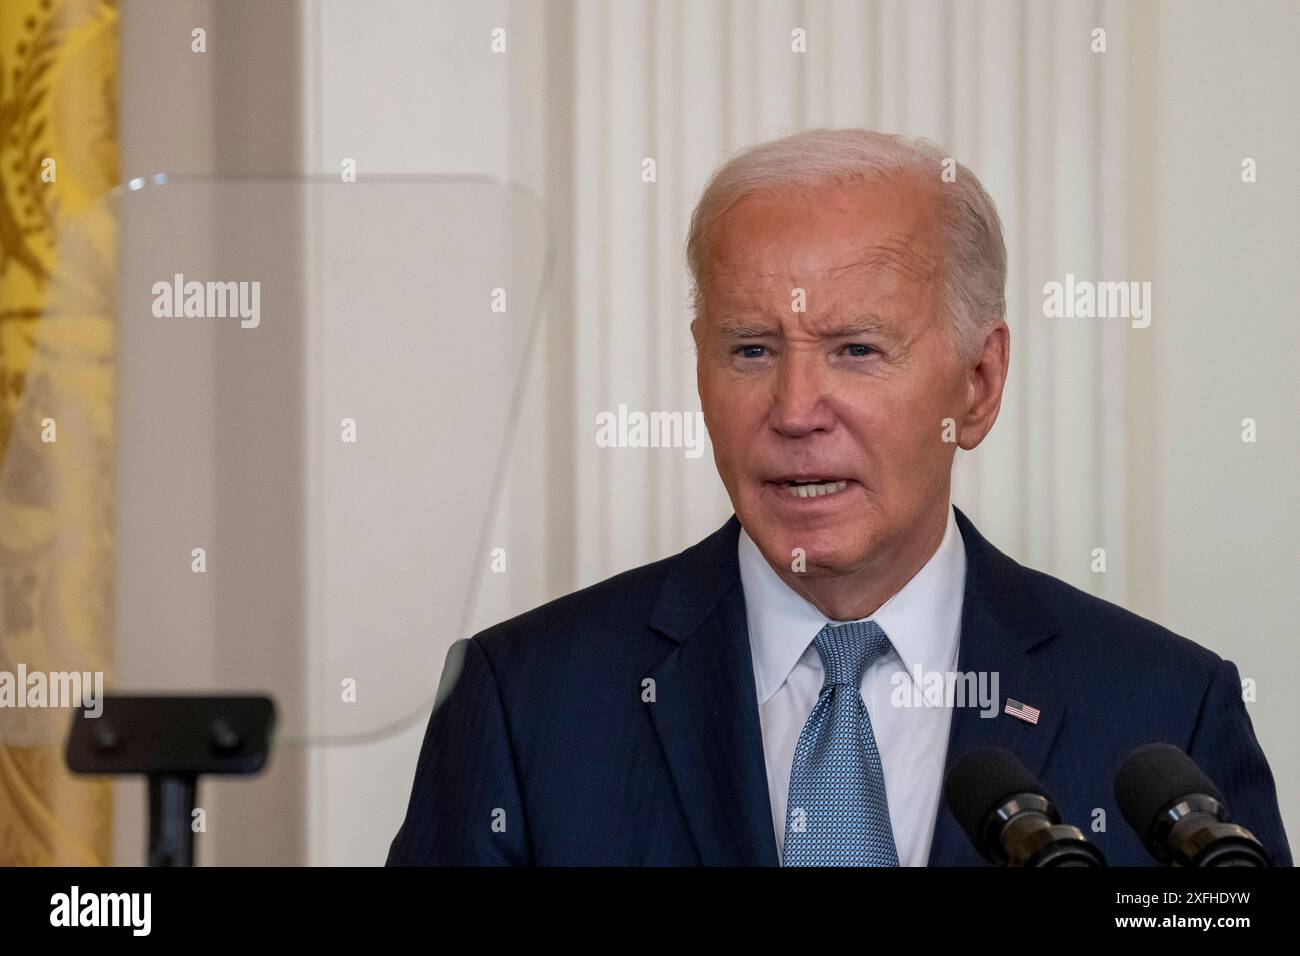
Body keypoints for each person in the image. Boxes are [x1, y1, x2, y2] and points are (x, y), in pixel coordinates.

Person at [387, 128, 1291, 866]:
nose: (793, 410)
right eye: (751, 349)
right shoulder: (523, 701)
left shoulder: (1166, 711)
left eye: (856, 349)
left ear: (976, 385)